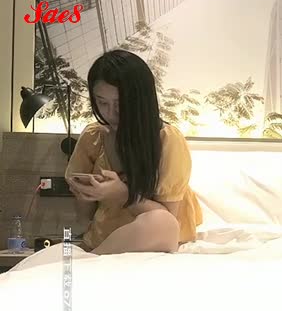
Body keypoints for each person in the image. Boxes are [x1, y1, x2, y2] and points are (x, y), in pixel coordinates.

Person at [65, 49, 203, 254]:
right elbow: (84, 218)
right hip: (104, 240)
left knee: (161, 221)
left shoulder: (167, 139)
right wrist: (86, 193)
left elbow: (168, 221)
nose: (110, 113)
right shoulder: (93, 137)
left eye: (120, 104)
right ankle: (92, 259)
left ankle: (90, 261)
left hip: (153, 241)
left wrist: (121, 194)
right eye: (102, 102)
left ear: (140, 100)